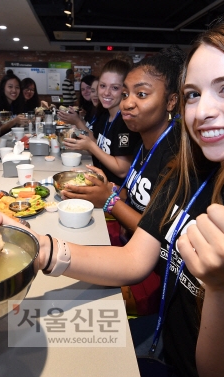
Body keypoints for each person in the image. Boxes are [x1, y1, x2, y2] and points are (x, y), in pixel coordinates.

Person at [0, 19, 224, 376]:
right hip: (161, 345)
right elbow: (134, 260)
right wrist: (41, 248)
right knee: (11, 343)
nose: (203, 112)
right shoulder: (190, 171)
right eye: (195, 93)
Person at [63, 47, 185, 316]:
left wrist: (108, 200)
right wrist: (112, 188)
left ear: (171, 101)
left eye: (141, 95)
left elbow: (156, 232)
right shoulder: (145, 141)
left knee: (72, 305)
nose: (127, 103)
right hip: (124, 243)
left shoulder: (177, 156)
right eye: (126, 93)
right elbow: (135, 195)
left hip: (153, 271)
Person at [63, 59, 141, 186]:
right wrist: (85, 143)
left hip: (115, 192)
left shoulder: (125, 122)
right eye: (103, 86)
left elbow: (122, 170)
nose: (106, 93)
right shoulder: (105, 115)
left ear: (124, 90)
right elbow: (96, 143)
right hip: (99, 180)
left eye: (115, 88)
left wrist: (90, 146)